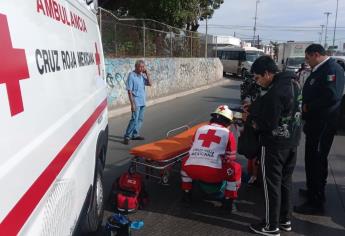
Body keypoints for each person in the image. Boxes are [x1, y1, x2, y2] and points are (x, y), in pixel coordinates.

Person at [246, 56, 302, 236]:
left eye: (257, 77)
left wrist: (251, 120)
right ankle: (285, 221)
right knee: (285, 183)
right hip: (292, 142)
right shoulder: (294, 83)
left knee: (271, 186)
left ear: (268, 73)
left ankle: (271, 226)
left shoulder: (275, 92)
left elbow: (267, 123)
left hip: (274, 145)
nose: (257, 81)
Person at [294, 44, 345, 214]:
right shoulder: (320, 69)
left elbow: (332, 96)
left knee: (317, 160)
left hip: (323, 123)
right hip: (315, 122)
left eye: (308, 57)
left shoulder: (332, 69)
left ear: (316, 55)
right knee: (311, 159)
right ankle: (312, 190)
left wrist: (309, 107)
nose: (306, 61)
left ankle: (316, 202)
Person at [180, 105, 242, 212]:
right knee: (235, 169)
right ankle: (228, 203)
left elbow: (192, 149)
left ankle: (186, 194)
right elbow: (230, 158)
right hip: (213, 173)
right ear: (228, 122)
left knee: (185, 162)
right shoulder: (228, 134)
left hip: (191, 169)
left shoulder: (200, 129)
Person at [123, 60, 152, 145]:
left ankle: (135, 134)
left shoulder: (142, 76)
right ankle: (127, 136)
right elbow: (129, 91)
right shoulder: (131, 76)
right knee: (134, 120)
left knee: (140, 119)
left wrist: (147, 74)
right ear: (136, 67)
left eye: (143, 67)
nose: (142, 68)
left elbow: (150, 83)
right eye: (141, 67)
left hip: (142, 101)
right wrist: (132, 105)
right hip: (136, 102)